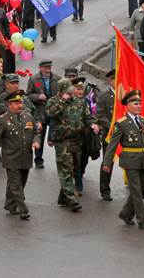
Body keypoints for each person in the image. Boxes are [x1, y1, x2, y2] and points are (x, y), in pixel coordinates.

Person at [102, 90, 144, 230]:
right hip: (130, 161)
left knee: (142, 191)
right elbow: (112, 145)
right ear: (128, 105)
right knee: (137, 191)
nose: (139, 106)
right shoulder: (121, 124)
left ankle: (126, 213)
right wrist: (107, 163)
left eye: (140, 103)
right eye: (136, 104)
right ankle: (142, 219)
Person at [0, 90, 41, 220]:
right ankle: (23, 209)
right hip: (11, 157)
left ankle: (9, 204)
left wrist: (36, 141)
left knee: (21, 182)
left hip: (26, 156)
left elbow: (36, 132)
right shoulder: (2, 120)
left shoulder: (28, 117)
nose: (19, 105)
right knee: (16, 184)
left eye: (20, 102)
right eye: (16, 103)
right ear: (9, 105)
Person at [46, 77, 100, 211]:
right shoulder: (54, 101)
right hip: (62, 141)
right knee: (66, 169)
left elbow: (87, 117)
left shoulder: (79, 102)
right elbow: (50, 114)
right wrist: (62, 101)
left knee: (75, 169)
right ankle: (72, 199)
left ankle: (63, 197)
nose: (71, 92)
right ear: (62, 90)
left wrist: (93, 124)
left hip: (77, 141)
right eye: (68, 90)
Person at [27, 60, 60, 169]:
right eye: (45, 68)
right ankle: (38, 159)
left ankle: (60, 159)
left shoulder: (57, 78)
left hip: (54, 112)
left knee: (57, 136)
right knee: (39, 134)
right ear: (40, 68)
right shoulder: (33, 79)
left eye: (49, 68)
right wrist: (38, 97)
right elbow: (28, 95)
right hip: (40, 112)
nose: (48, 70)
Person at [96, 69, 116, 201]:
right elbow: (100, 115)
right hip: (111, 134)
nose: (117, 81)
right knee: (108, 161)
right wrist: (111, 127)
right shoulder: (104, 97)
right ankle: (105, 189)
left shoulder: (125, 95)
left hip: (127, 134)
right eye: (114, 79)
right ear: (109, 81)